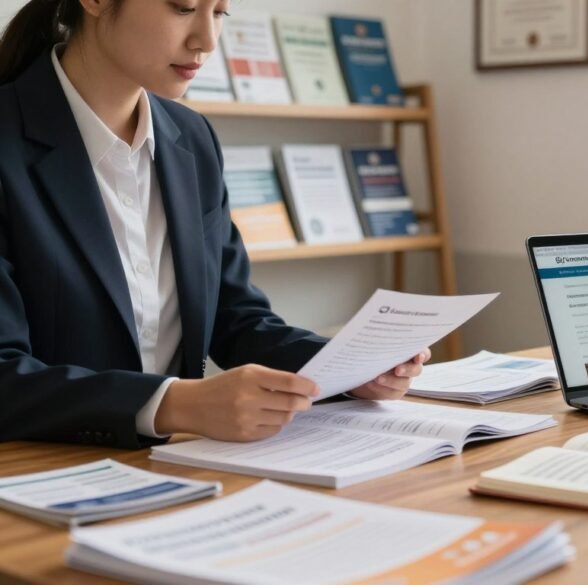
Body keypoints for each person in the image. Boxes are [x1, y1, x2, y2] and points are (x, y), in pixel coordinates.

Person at [0, 0, 429, 449]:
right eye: (184, 7)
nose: (207, 40)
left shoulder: (192, 138)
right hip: (41, 474)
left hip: (177, 468)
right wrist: (177, 404)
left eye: (220, 12)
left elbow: (235, 317)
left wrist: (348, 368)